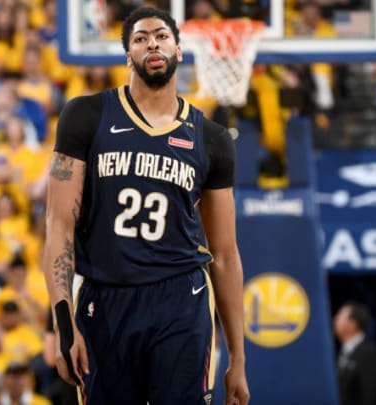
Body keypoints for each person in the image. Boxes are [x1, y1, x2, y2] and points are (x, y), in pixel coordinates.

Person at [43, 7, 249, 405]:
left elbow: (224, 254)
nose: (151, 42)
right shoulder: (86, 115)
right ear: (128, 56)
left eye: (160, 36)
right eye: (140, 38)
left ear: (179, 50)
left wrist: (238, 358)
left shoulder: (212, 139)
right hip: (106, 298)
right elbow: (59, 225)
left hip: (181, 298)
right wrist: (64, 324)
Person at [333, 301, 376, 405]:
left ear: (353, 323)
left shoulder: (368, 353)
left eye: (340, 316)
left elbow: (370, 396)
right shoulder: (338, 352)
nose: (335, 319)